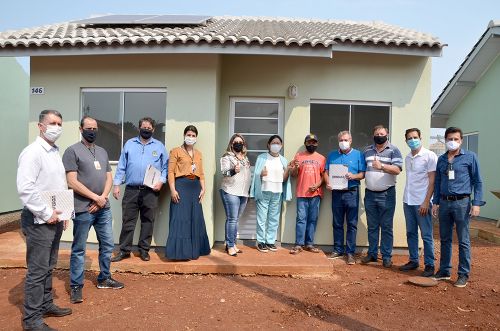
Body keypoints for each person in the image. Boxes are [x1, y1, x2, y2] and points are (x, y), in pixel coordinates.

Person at [17, 109, 72, 331]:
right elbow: (26, 188)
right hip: (39, 221)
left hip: (55, 219)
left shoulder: (53, 152)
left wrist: (65, 213)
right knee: (38, 271)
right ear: (40, 126)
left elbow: (56, 186)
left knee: (49, 266)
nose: (56, 127)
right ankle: (32, 320)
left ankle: (46, 304)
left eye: (60, 123)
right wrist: (46, 213)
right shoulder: (32, 153)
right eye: (52, 122)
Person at [62, 116, 124, 305]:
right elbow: (71, 181)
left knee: (107, 245)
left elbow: (108, 178)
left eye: (95, 128)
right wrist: (94, 198)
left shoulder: (103, 152)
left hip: (102, 207)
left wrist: (102, 198)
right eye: (88, 128)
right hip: (83, 209)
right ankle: (75, 286)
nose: (92, 131)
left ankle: (105, 278)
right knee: (79, 249)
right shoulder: (72, 151)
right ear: (81, 129)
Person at [431, 127, 484, 288]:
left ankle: (463, 274)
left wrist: (476, 203)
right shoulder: (441, 159)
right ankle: (445, 271)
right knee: (445, 238)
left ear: (461, 141)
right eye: (449, 139)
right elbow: (438, 182)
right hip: (444, 203)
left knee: (463, 240)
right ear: (445, 140)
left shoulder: (470, 157)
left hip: (462, 202)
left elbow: (478, 181)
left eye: (456, 139)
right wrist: (436, 202)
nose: (452, 142)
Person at [111, 117, 168, 262]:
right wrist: (116, 184)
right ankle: (124, 251)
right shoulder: (130, 144)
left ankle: (144, 250)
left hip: (150, 191)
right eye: (144, 127)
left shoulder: (159, 146)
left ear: (153, 130)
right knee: (128, 221)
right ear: (139, 128)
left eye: (149, 128)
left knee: (147, 221)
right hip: (131, 190)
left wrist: (161, 181)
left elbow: (166, 167)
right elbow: (121, 166)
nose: (146, 130)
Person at [165, 125, 211, 260]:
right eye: (188, 135)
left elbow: (201, 173)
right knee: (180, 218)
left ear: (196, 138)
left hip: (195, 187)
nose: (190, 137)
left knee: (194, 218)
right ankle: (179, 253)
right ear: (184, 136)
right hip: (181, 186)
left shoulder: (198, 154)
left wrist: (203, 188)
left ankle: (194, 250)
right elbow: (170, 172)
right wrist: (173, 190)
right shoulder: (175, 151)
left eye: (193, 135)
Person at [361, 125, 403, 268]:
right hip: (370, 194)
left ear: (387, 134)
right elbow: (362, 170)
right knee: (372, 226)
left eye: (382, 133)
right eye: (377, 133)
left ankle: (386, 256)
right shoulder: (367, 150)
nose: (379, 135)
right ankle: (372, 253)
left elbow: (397, 170)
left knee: (386, 226)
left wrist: (383, 167)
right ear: (373, 135)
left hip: (387, 194)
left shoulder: (394, 150)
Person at [399, 128, 437, 277]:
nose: (412, 140)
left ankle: (429, 265)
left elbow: (432, 181)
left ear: (420, 138)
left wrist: (426, 202)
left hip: (422, 202)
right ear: (406, 140)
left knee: (426, 235)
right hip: (408, 201)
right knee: (410, 233)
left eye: (415, 137)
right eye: (409, 138)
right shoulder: (408, 157)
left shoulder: (429, 156)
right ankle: (413, 260)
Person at [324, 131, 366, 265]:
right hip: (336, 193)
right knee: (337, 223)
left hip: (351, 192)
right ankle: (337, 250)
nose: (343, 142)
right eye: (341, 140)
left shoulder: (358, 154)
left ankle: (350, 253)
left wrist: (353, 176)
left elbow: (362, 174)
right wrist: (327, 182)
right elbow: (326, 172)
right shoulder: (332, 155)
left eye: (346, 140)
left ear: (351, 140)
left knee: (352, 223)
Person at [250, 135, 293, 253]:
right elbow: (256, 175)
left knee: (274, 218)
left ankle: (270, 241)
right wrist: (260, 174)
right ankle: (261, 241)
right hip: (264, 190)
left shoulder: (283, 160)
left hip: (277, 191)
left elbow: (284, 179)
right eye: (273, 143)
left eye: (278, 143)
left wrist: (288, 169)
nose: (276, 145)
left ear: (281, 145)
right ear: (268, 145)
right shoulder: (262, 157)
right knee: (262, 217)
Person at [289, 134, 326, 255]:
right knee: (301, 219)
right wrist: (295, 168)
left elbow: (324, 176)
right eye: (309, 142)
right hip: (302, 192)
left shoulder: (321, 158)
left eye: (314, 142)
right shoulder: (299, 156)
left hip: (315, 193)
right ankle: (298, 244)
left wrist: (317, 185)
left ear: (317, 144)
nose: (312, 144)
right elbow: (294, 175)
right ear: (305, 143)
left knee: (312, 219)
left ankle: (309, 244)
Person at [219, 134, 252, 256]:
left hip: (243, 193)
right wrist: (233, 170)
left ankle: (232, 243)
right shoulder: (227, 157)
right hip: (230, 191)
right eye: (236, 141)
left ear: (243, 144)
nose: (238, 143)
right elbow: (224, 172)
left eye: (241, 142)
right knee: (232, 219)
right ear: (231, 143)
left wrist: (248, 192)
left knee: (236, 219)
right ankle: (230, 246)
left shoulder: (245, 158)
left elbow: (247, 174)